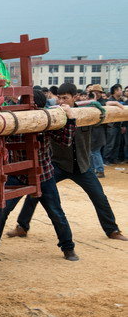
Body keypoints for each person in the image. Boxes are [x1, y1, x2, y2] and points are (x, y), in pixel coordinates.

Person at [7, 83, 127, 241]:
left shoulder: (88, 111)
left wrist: (109, 104)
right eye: (60, 98)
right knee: (35, 192)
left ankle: (112, 230)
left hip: (83, 166)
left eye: (66, 98)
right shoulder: (53, 113)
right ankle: (22, 226)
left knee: (99, 197)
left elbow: (99, 108)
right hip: (58, 165)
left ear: (75, 97)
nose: (62, 101)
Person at [0, 90, 79, 261]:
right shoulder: (11, 120)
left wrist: (70, 119)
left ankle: (68, 247)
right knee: (1, 210)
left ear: (38, 108)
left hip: (43, 174)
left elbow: (65, 141)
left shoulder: (45, 120)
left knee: (56, 213)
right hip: (16, 173)